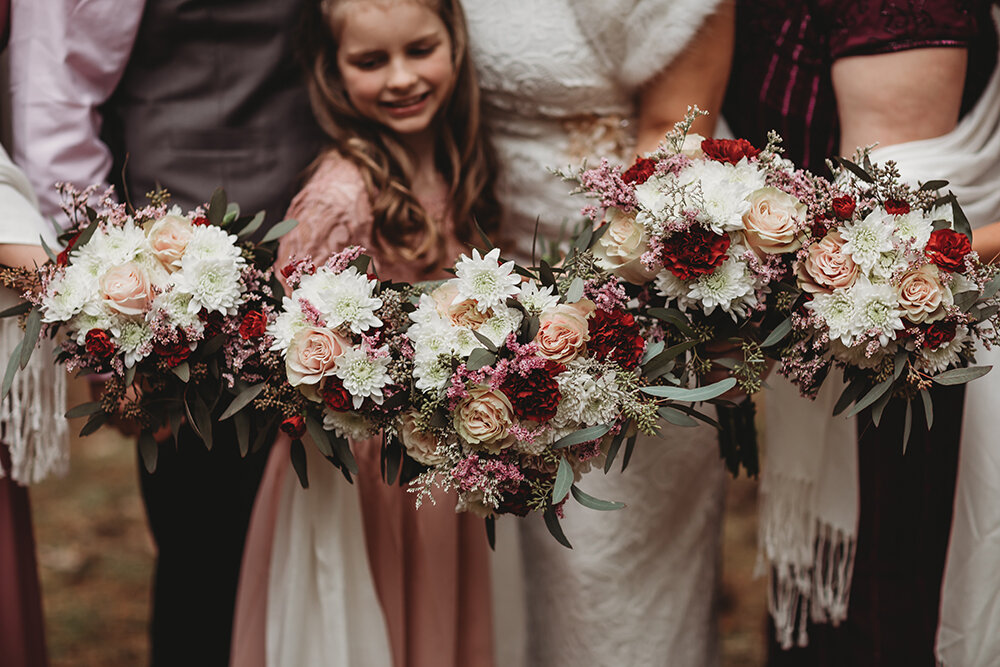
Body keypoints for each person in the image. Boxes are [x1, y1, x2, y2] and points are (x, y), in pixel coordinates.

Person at [8, 1, 324, 664]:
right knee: (208, 566)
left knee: (334, 555)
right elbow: (54, 108)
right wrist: (110, 331)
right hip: (179, 303)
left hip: (338, 266)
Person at [724, 1, 1000, 665]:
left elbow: (887, 206)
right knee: (835, 602)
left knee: (890, 586)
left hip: (914, 350)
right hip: (826, 333)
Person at [462, 1, 734, 665]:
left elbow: (675, 137)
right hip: (487, 286)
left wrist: (588, 303)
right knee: (502, 577)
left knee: (603, 580)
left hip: (635, 303)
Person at [230, 1, 498, 665]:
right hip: (363, 475)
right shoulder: (340, 198)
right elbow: (291, 352)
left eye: (419, 49)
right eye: (371, 61)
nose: (402, 78)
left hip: (439, 459)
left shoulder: (458, 161)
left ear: (455, 43)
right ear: (332, 71)